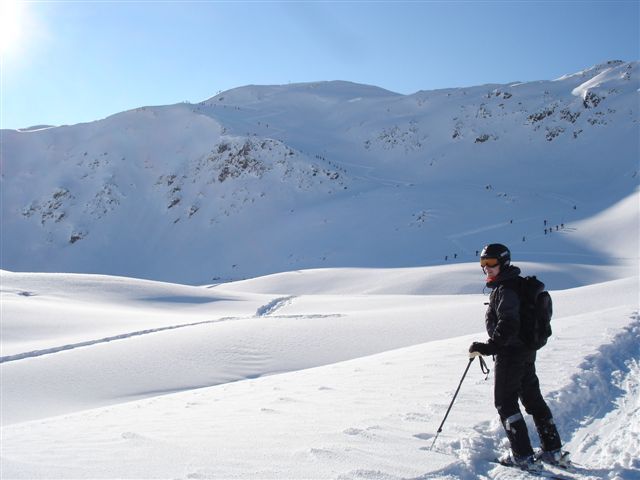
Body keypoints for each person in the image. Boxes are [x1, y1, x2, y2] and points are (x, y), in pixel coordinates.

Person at [469, 243, 568, 471]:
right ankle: (553, 450)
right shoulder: (513, 285)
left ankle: (523, 456)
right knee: (533, 399)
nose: (487, 268)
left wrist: (489, 347)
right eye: (483, 264)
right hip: (525, 351)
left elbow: (509, 323)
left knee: (505, 403)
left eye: (492, 263)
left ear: (504, 262)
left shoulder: (506, 290)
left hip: (511, 354)